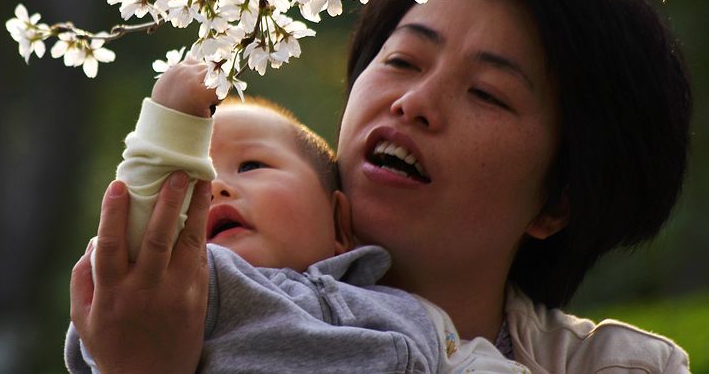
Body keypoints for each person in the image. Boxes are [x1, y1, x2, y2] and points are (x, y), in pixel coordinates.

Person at [70, 0, 692, 373]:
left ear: (557, 200)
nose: (414, 102)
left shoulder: (621, 368)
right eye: (401, 60)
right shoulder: (192, 312)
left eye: (487, 94)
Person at [68, 61, 527, 372]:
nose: (216, 188)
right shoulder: (198, 286)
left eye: (251, 166)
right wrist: (170, 124)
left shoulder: (409, 311)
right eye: (195, 180)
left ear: (339, 223)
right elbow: (129, 261)